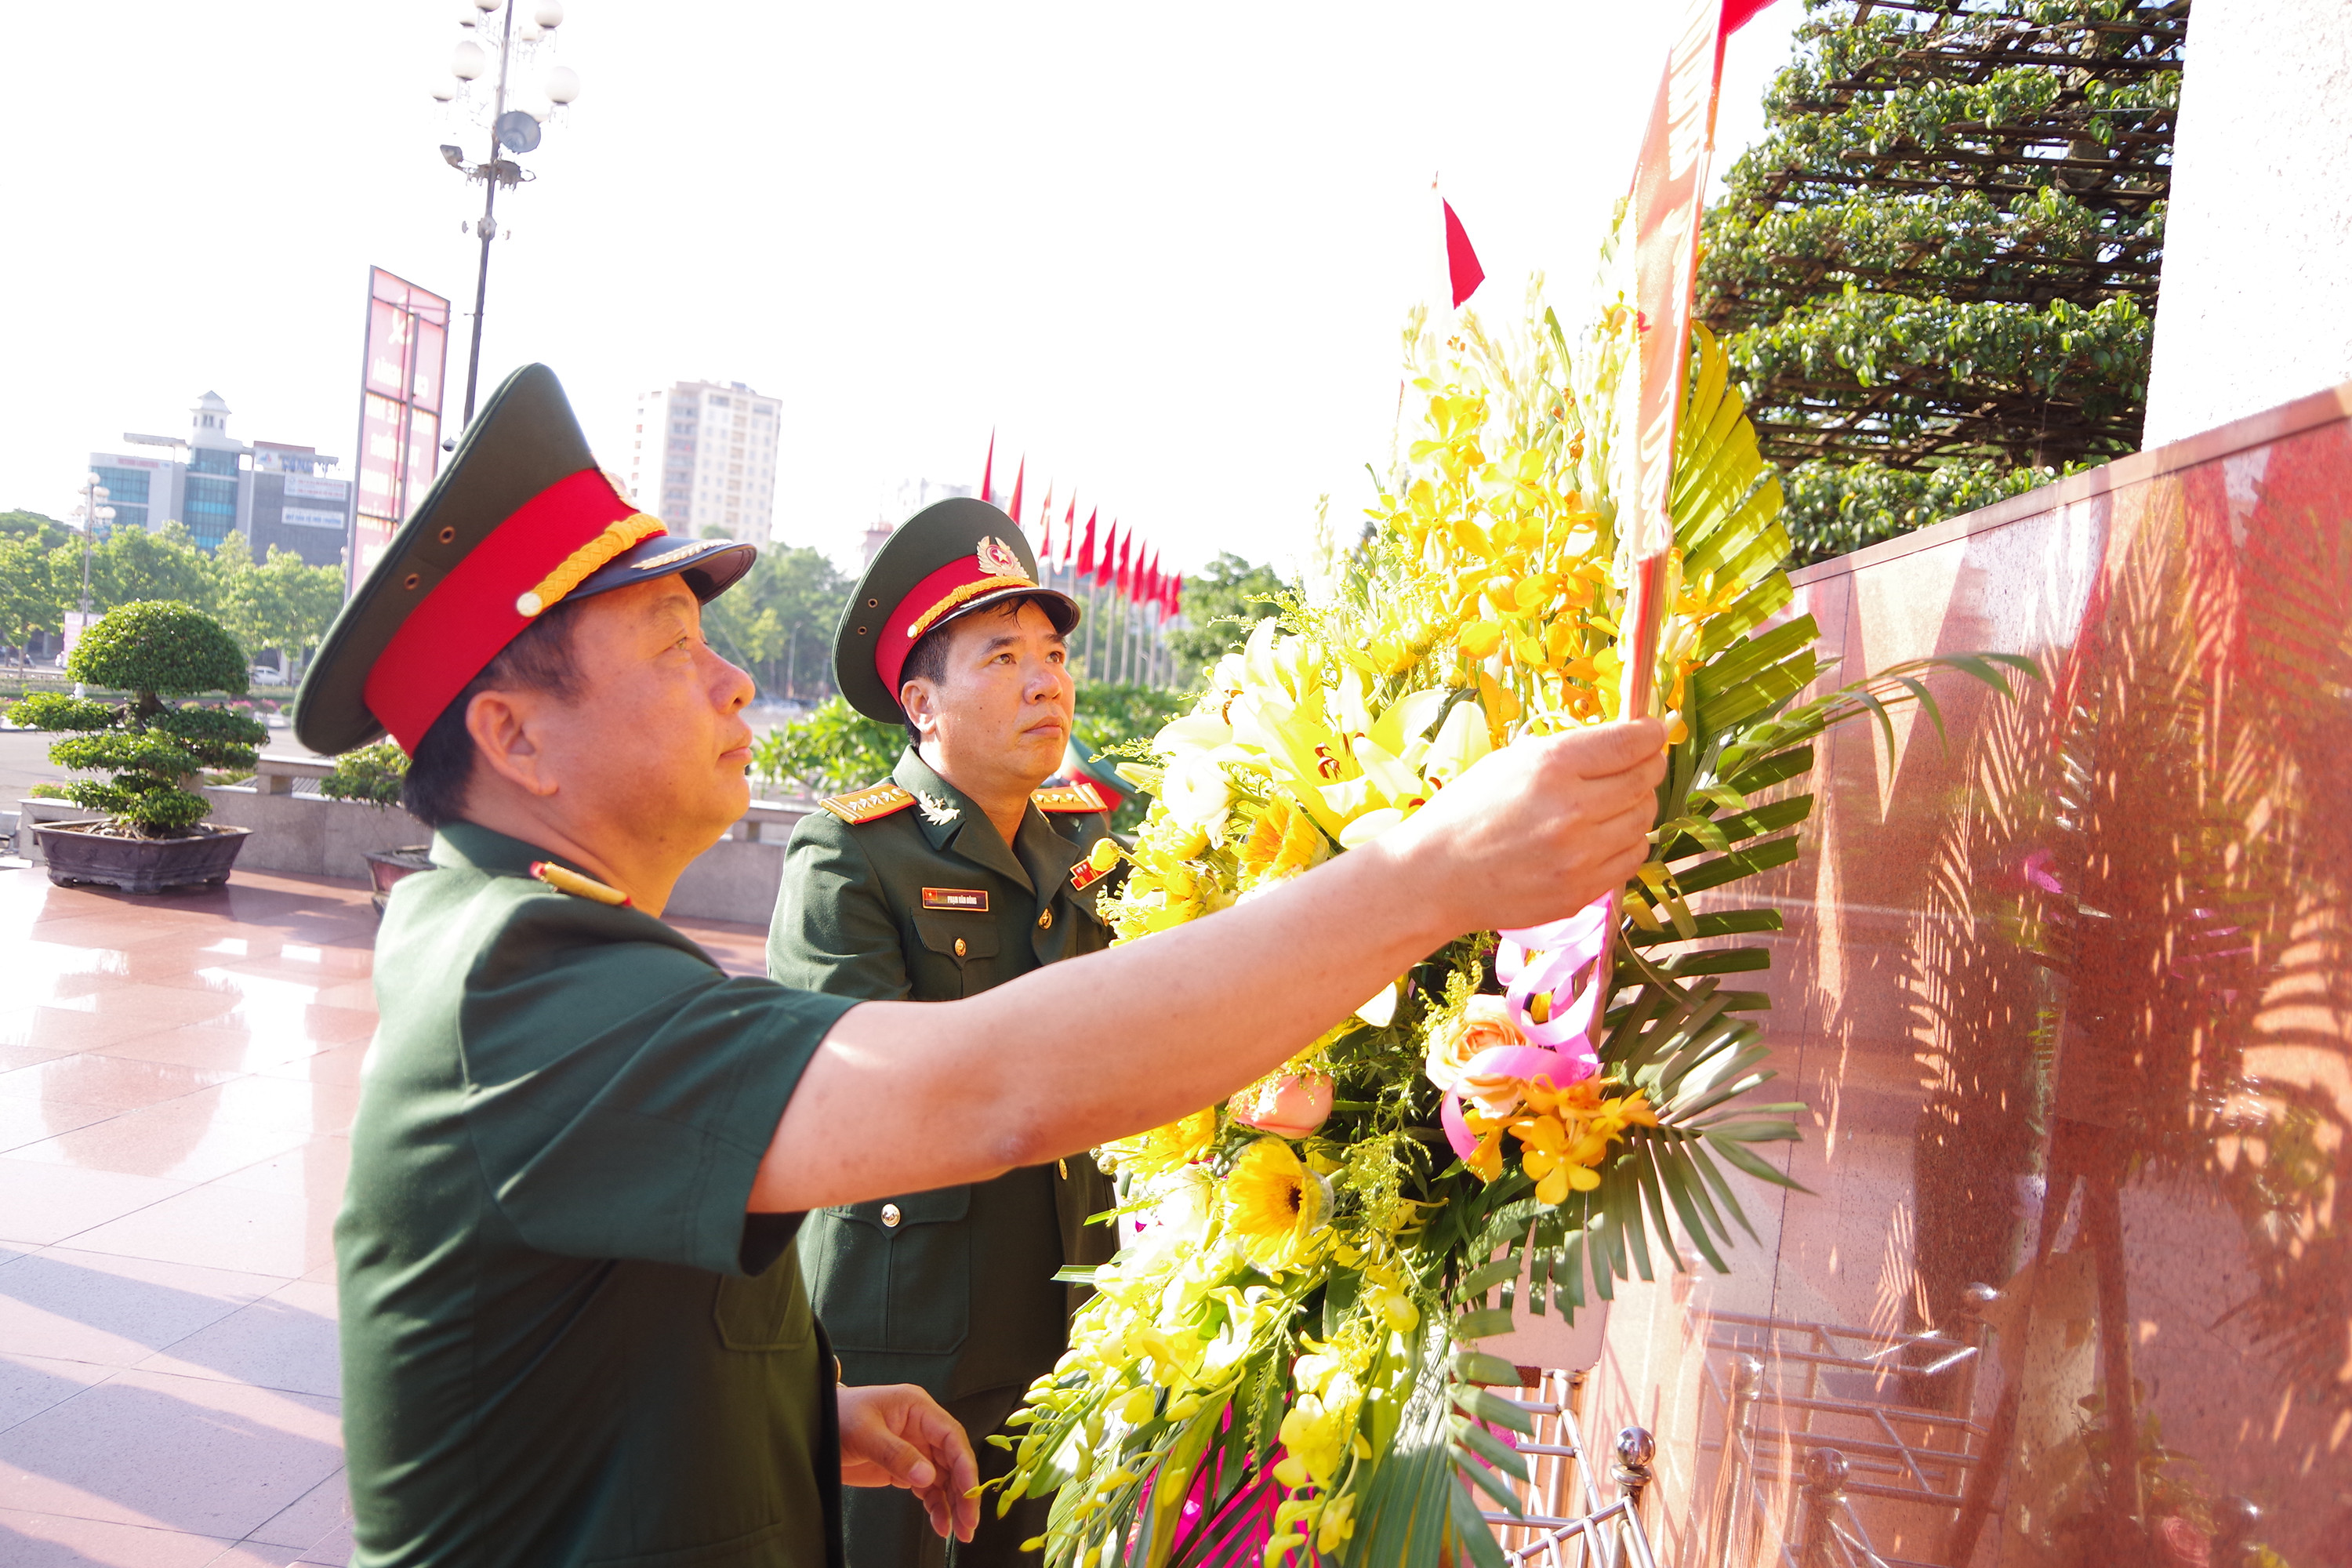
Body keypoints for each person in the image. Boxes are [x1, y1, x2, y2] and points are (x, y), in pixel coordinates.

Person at [297, 365, 1664, 1568]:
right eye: (674, 649)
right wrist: (1429, 877)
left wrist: (794, 1420)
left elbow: (583, 1336)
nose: (729, 684)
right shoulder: (517, 984)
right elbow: (976, 1091)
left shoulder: (536, 943)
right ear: (515, 738)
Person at [768, 499, 1119, 1568]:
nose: (1045, 680)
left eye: (1053, 652)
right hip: (907, 1338)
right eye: (1003, 655)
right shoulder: (851, 856)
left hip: (1066, 1322)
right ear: (921, 704)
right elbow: (863, 1096)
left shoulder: (1094, 838)